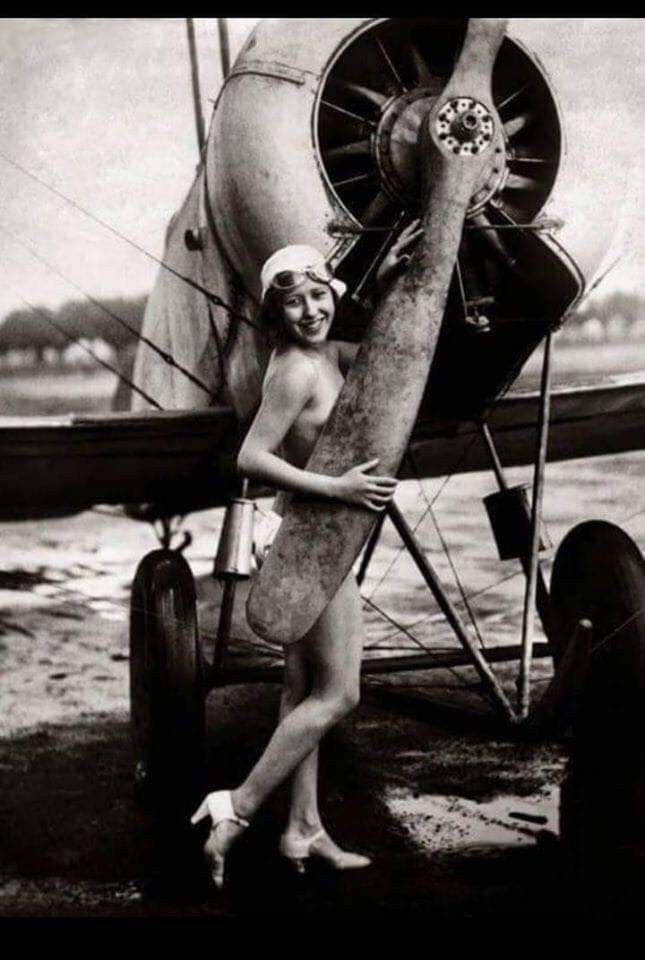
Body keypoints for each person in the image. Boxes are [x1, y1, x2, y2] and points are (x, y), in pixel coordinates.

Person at [191, 224, 422, 888]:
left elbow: (385, 349)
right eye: (294, 303)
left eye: (319, 296)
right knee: (339, 693)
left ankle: (303, 828)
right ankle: (234, 809)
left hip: (305, 534)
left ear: (333, 295)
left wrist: (387, 282)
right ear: (277, 313)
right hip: (306, 541)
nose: (310, 310)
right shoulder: (295, 369)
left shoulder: (327, 355)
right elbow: (250, 456)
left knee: (299, 691)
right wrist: (338, 487)